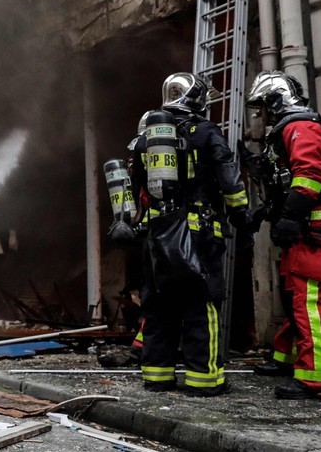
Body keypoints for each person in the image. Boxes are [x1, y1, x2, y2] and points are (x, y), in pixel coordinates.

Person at [132, 73, 251, 397]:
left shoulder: (146, 139)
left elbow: (135, 188)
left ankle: (157, 377)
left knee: (159, 307)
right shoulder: (206, 132)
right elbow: (228, 175)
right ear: (197, 98)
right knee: (202, 305)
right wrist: (241, 213)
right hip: (198, 232)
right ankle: (205, 381)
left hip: (156, 237)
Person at [245, 71, 321, 399]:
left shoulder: (298, 126)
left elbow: (309, 174)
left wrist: (293, 217)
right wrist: (266, 213)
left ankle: (315, 377)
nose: (261, 116)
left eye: (262, 108)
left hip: (315, 230)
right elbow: (287, 183)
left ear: (274, 101)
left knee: (311, 302)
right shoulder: (304, 126)